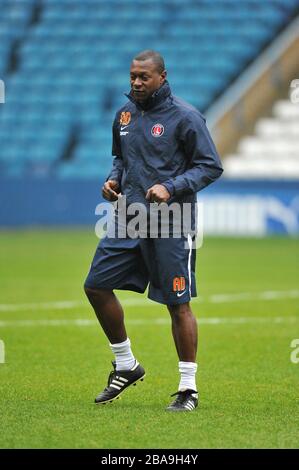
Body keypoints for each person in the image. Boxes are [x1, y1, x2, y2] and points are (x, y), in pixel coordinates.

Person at [84, 50, 223, 412]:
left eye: (144, 77)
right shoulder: (125, 115)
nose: (136, 82)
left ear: (162, 76)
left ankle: (188, 389)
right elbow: (121, 158)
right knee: (96, 285)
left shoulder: (186, 117)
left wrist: (171, 186)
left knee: (178, 304)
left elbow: (210, 166)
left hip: (172, 221)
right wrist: (114, 180)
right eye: (132, 76)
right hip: (129, 216)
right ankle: (126, 363)